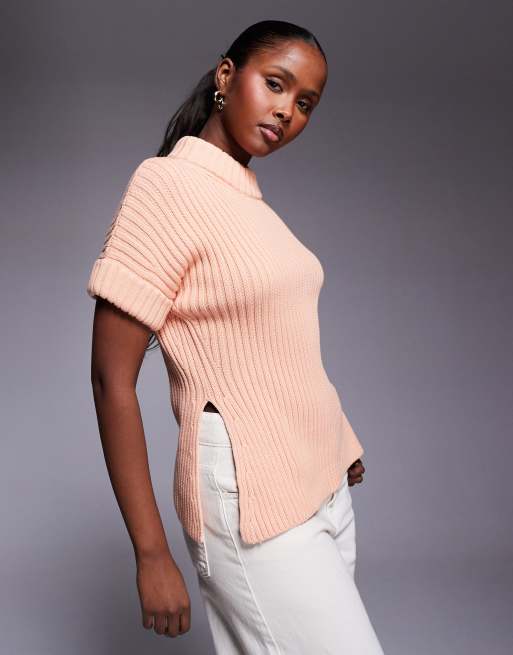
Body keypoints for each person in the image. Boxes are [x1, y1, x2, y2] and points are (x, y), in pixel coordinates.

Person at [87, 19, 385, 654]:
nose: (287, 111)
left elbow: (273, 346)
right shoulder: (166, 186)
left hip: (321, 480)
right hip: (250, 494)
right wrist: (151, 552)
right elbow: (111, 379)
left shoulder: (249, 202)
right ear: (226, 76)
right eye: (275, 84)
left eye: (306, 103)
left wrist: (331, 434)